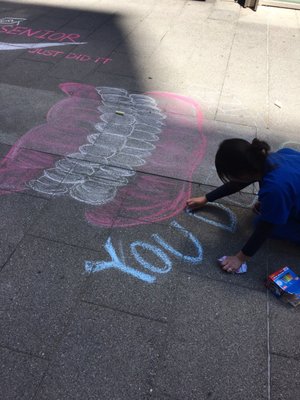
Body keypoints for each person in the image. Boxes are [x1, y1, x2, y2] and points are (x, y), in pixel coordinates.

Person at [186, 138, 300, 273]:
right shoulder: (274, 157)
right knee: (269, 208)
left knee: (261, 223)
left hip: (281, 194)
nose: (233, 180)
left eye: (232, 176)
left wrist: (240, 258)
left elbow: (266, 226)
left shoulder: (276, 188)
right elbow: (239, 183)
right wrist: (206, 198)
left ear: (244, 174)